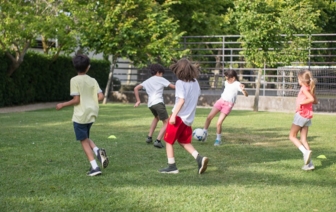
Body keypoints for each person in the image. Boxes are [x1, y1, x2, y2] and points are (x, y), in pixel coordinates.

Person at [56, 54, 109, 176]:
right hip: (92, 112)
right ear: (88, 67)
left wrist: (62, 105)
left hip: (81, 114)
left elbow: (76, 100)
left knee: (83, 141)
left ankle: (95, 167)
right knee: (85, 137)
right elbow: (101, 97)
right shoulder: (93, 80)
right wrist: (90, 99)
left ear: (75, 67)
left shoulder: (74, 80)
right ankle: (97, 150)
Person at [159, 58, 208, 174]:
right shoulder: (195, 82)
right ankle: (200, 159)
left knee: (168, 141)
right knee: (183, 141)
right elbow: (196, 96)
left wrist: (173, 116)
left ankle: (172, 167)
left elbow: (181, 101)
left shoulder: (180, 83)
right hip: (188, 119)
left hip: (179, 117)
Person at [202, 70, 248, 146]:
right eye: (225, 78)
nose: (226, 80)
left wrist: (243, 90)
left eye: (227, 78)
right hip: (221, 101)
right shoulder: (226, 82)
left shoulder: (237, 84)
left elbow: (246, 95)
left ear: (233, 78)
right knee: (209, 117)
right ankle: (204, 133)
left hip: (228, 104)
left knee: (218, 123)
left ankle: (218, 140)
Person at [134, 64, 175, 148]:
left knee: (157, 118)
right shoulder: (161, 79)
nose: (162, 75)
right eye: (162, 73)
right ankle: (158, 140)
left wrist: (138, 101)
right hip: (158, 102)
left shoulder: (148, 80)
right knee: (167, 122)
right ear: (158, 72)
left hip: (151, 104)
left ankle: (149, 137)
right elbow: (174, 87)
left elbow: (136, 88)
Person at [289, 70, 317, 171]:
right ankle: (310, 164)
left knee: (292, 136)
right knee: (303, 139)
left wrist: (301, 103)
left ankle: (305, 152)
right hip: (307, 116)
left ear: (301, 80)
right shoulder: (310, 88)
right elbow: (315, 100)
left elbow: (311, 99)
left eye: (298, 79)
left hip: (301, 115)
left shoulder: (304, 88)